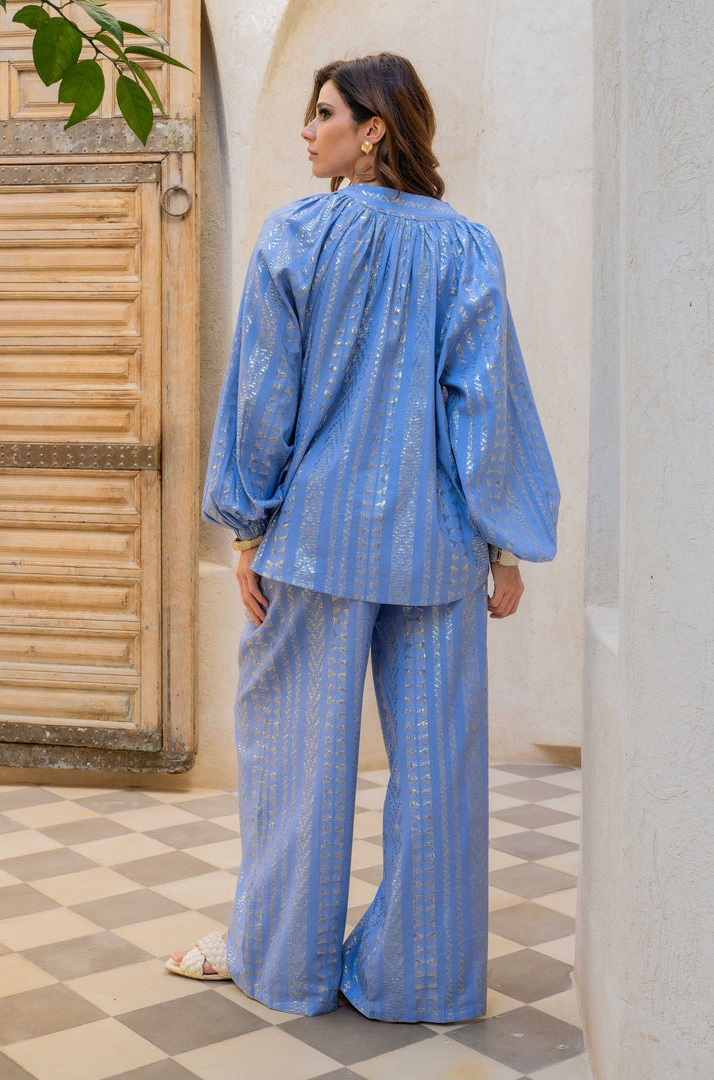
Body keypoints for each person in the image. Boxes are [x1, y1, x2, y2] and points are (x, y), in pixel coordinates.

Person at [166, 52, 560, 1023]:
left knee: (296, 765)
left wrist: (246, 529)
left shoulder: (297, 236)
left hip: (317, 545)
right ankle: (419, 979)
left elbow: (264, 396)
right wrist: (503, 545)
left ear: (373, 128)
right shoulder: (466, 245)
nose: (307, 130)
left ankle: (283, 964)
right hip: (437, 552)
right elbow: (486, 404)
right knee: (437, 776)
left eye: (324, 113)